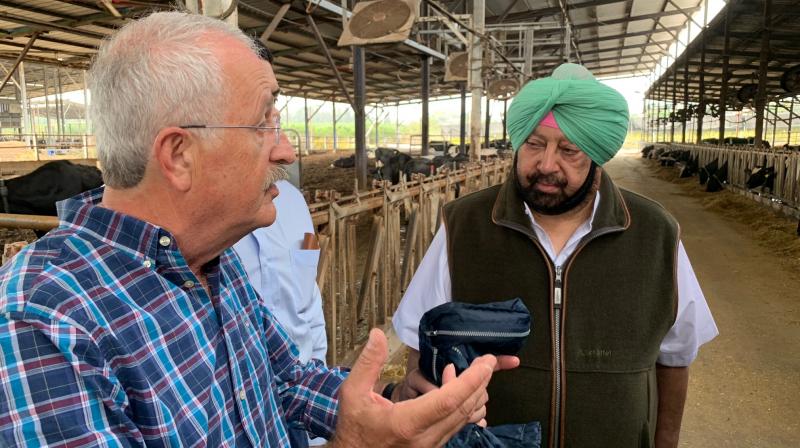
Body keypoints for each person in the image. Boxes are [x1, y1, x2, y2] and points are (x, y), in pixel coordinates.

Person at [0, 11, 519, 447]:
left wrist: (387, 408)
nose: (287, 150)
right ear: (179, 155)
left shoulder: (208, 260)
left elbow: (284, 378)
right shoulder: (44, 320)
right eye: (262, 124)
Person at [392, 63, 718, 448]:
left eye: (569, 150)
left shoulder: (655, 233)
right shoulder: (463, 225)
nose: (546, 165)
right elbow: (418, 338)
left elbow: (676, 357)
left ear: (597, 154)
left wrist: (665, 441)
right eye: (533, 144)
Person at [233, 178, 328, 447]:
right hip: (236, 417)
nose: (286, 150)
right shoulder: (200, 217)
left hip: (298, 407)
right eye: (260, 132)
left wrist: (316, 426)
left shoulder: (292, 201)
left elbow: (309, 299)